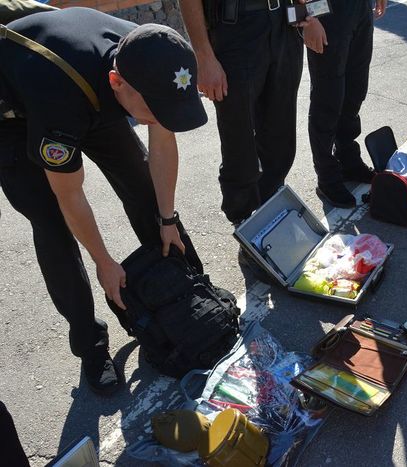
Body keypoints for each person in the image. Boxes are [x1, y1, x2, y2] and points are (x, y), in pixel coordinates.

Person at [0, 8, 207, 395]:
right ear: (118, 82)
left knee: (146, 193)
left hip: (89, 89)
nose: (161, 116)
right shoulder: (60, 98)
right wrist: (104, 263)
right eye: (155, 110)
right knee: (52, 225)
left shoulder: (150, 52)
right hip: (16, 115)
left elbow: (161, 140)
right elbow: (69, 194)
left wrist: (167, 218)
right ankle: (90, 346)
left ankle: (190, 293)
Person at [180, 0, 304, 224]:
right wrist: (203, 57)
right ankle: (243, 219)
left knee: (280, 137)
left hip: (284, 22)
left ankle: (271, 210)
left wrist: (306, 9)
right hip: (236, 29)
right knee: (239, 145)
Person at [302, 0, 387, 208]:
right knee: (328, 99)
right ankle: (327, 176)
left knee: (355, 91)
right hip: (326, 10)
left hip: (359, 8)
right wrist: (309, 18)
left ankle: (348, 160)